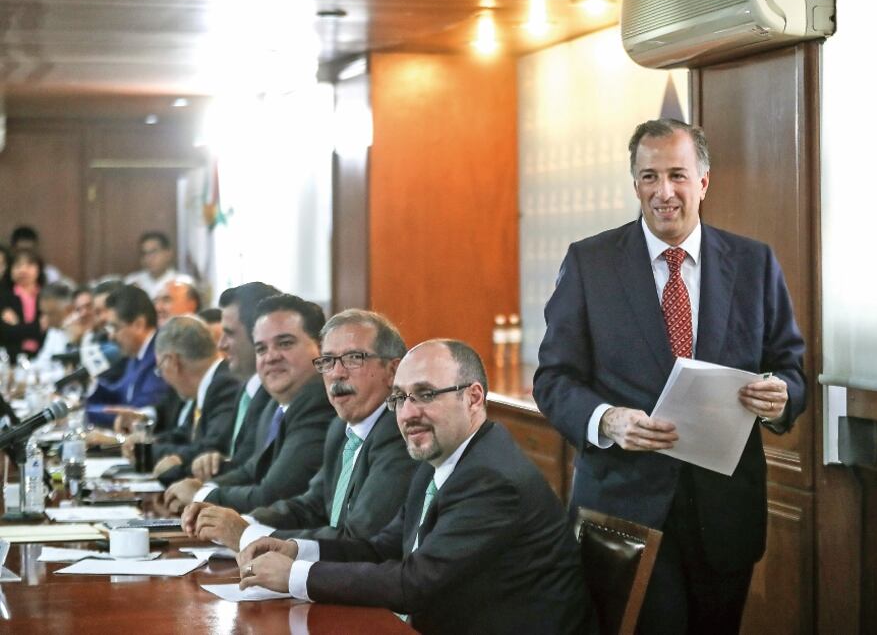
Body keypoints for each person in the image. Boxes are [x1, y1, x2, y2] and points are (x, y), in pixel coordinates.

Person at [533, 119, 807, 634]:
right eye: (648, 177)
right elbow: (553, 379)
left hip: (724, 515)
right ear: (634, 183)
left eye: (677, 175)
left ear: (704, 181)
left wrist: (780, 395)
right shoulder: (590, 263)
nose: (664, 192)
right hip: (624, 509)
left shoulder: (754, 263)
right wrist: (607, 420)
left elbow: (791, 367)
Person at [238, 340, 593, 635]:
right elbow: (382, 550)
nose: (407, 414)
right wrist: (298, 551)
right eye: (399, 398)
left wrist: (296, 577)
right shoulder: (439, 462)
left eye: (424, 395)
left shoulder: (492, 479)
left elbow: (415, 585)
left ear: (473, 398)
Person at [182, 309, 417, 551]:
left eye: (353, 358)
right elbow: (312, 505)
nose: (336, 373)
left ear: (392, 371)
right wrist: (247, 522)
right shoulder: (341, 429)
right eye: (328, 361)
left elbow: (359, 538)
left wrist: (249, 536)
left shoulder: (399, 432)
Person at [162, 293, 331, 514]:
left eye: (285, 343)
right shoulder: (274, 404)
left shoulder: (318, 402)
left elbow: (272, 494)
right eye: (261, 349)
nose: (271, 357)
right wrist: (202, 487)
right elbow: (251, 470)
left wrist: (199, 495)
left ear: (321, 348)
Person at [127, 315, 239, 481]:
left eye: (160, 369)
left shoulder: (225, 384)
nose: (163, 377)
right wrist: (145, 441)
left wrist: (146, 450)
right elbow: (184, 435)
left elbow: (211, 448)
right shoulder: (207, 385)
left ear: (172, 361)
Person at [187, 283, 280, 483]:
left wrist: (203, 492)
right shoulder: (244, 388)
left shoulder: (278, 398)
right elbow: (239, 461)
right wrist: (215, 462)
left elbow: (259, 478)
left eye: (229, 333)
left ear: (258, 333)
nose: (221, 345)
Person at [85, 285, 170, 426]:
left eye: (115, 328)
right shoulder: (136, 353)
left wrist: (84, 413)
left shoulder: (160, 355)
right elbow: (121, 394)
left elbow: (135, 414)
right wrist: (89, 388)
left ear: (139, 325)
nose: (111, 336)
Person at [0, 248, 47, 358]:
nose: (23, 270)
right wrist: (37, 327)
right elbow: (6, 332)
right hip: (11, 357)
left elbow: (49, 331)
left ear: (38, 269)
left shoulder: (46, 296)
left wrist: (18, 326)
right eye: (18, 265)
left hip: (44, 355)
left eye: (29, 265)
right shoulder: (4, 298)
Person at [32, 282, 74, 369]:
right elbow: (42, 362)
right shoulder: (54, 331)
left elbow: (67, 371)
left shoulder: (78, 331)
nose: (45, 320)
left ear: (68, 310)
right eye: (43, 313)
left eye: (50, 314)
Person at [124, 231, 178, 298]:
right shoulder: (132, 281)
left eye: (153, 252)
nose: (148, 258)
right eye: (144, 253)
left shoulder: (181, 282)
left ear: (168, 254)